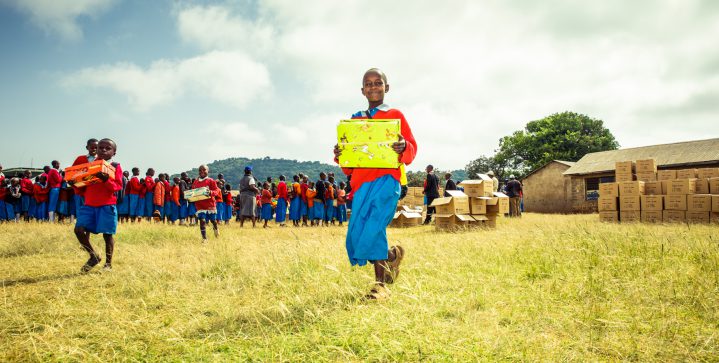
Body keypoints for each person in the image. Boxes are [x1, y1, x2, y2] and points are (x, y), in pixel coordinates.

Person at [333, 68, 417, 299]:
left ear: (386, 87)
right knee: (358, 233)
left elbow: (411, 147)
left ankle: (380, 286)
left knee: (373, 228)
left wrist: (403, 147)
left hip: (388, 180)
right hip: (360, 184)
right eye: (368, 84)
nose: (373, 87)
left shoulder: (395, 115)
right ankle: (391, 257)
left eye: (378, 82)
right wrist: (341, 153)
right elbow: (349, 165)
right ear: (362, 90)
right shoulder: (355, 119)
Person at [72, 138, 123, 272]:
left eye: (108, 148)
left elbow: (117, 186)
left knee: (107, 235)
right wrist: (76, 184)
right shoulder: (90, 165)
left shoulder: (116, 166)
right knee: (78, 230)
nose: (103, 150)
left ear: (114, 152)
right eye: (101, 148)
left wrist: (106, 180)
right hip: (89, 204)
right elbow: (83, 186)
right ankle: (93, 255)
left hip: (107, 205)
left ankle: (108, 264)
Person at [191, 165, 220, 241]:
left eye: (204, 170)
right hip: (200, 205)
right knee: (202, 220)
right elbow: (193, 192)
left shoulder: (211, 181)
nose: (202, 172)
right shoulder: (196, 182)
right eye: (200, 170)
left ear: (208, 171)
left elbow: (216, 191)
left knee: (213, 221)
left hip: (210, 205)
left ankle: (216, 231)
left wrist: (210, 192)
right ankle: (204, 238)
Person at [72, 138, 99, 210]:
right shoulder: (80, 159)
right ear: (87, 148)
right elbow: (72, 173)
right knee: (81, 210)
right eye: (92, 147)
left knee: (94, 209)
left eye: (96, 147)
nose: (94, 149)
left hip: (96, 189)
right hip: (81, 189)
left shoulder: (101, 160)